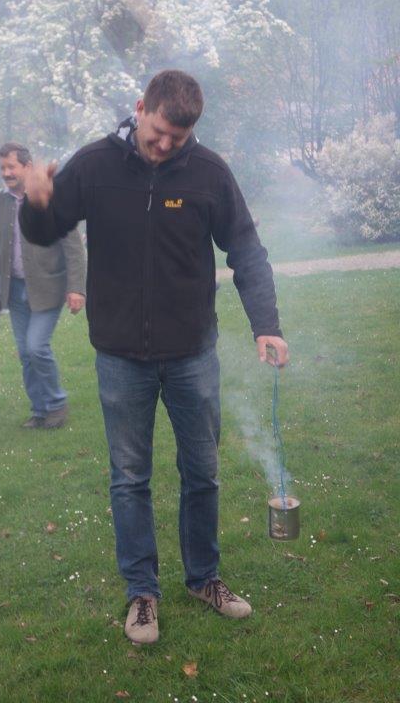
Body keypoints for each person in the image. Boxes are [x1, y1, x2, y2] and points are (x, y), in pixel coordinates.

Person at [19, 70, 289, 643]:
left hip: (193, 353)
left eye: (178, 137)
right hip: (120, 356)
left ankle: (204, 578)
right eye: (159, 131)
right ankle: (142, 593)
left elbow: (245, 247)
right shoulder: (95, 164)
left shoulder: (209, 173)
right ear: (141, 107)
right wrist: (36, 204)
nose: (165, 145)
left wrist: (266, 324)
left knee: (203, 473)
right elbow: (45, 229)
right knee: (129, 477)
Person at [0, 142, 86, 429]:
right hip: (15, 291)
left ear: (28, 166)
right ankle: (39, 410)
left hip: (48, 287)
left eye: (11, 167)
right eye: (2, 168)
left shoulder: (50, 197)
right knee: (25, 353)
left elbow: (74, 248)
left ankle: (56, 404)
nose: (6, 173)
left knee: (37, 347)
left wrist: (76, 288)